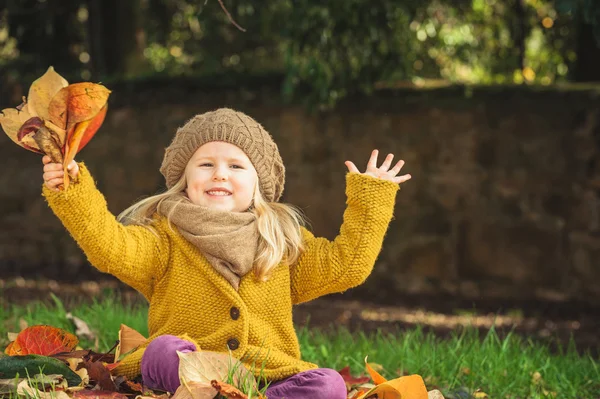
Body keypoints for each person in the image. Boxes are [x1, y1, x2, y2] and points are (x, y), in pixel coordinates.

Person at [42, 108, 411, 399]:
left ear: (258, 184)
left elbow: (346, 266)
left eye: (236, 166)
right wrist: (73, 191)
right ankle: (207, 392)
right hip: (185, 368)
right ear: (184, 179)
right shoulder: (163, 237)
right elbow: (111, 248)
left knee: (328, 385)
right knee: (163, 351)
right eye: (206, 164)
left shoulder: (281, 242)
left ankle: (240, 396)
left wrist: (370, 201)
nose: (220, 174)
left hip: (262, 375)